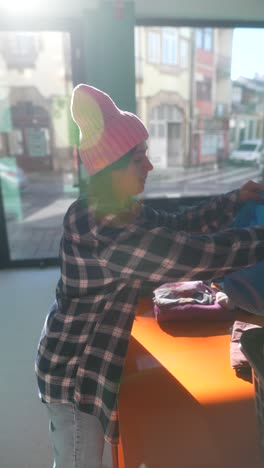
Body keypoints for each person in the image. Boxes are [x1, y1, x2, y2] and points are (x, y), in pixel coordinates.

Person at [35, 84, 264, 468]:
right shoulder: (99, 227)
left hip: (86, 359)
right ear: (110, 167)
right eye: (138, 157)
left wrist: (235, 198)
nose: (149, 166)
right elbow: (192, 255)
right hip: (74, 373)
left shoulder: (120, 209)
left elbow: (181, 225)